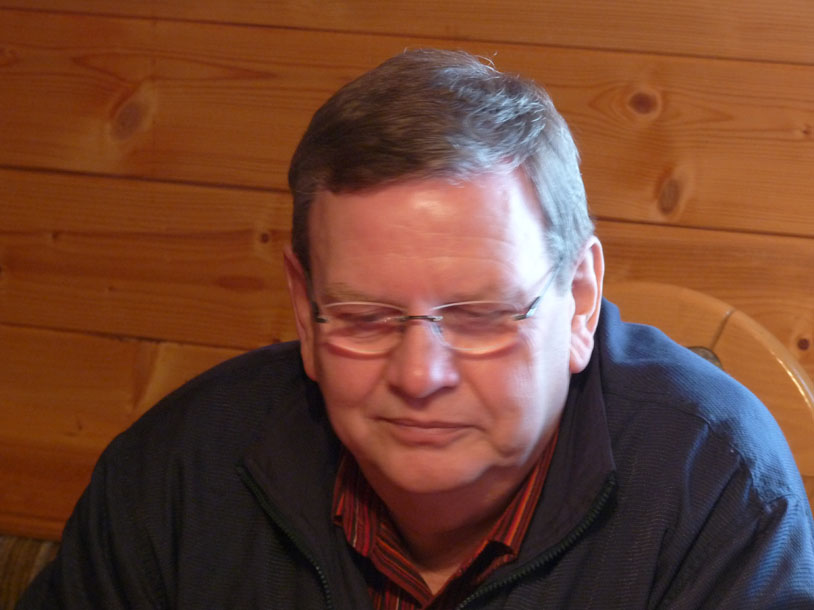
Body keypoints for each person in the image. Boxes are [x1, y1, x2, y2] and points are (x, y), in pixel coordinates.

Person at [18, 49, 814, 609]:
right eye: (364, 317)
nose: (420, 374)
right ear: (304, 307)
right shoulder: (175, 473)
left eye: (479, 316)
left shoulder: (716, 484)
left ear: (578, 300)